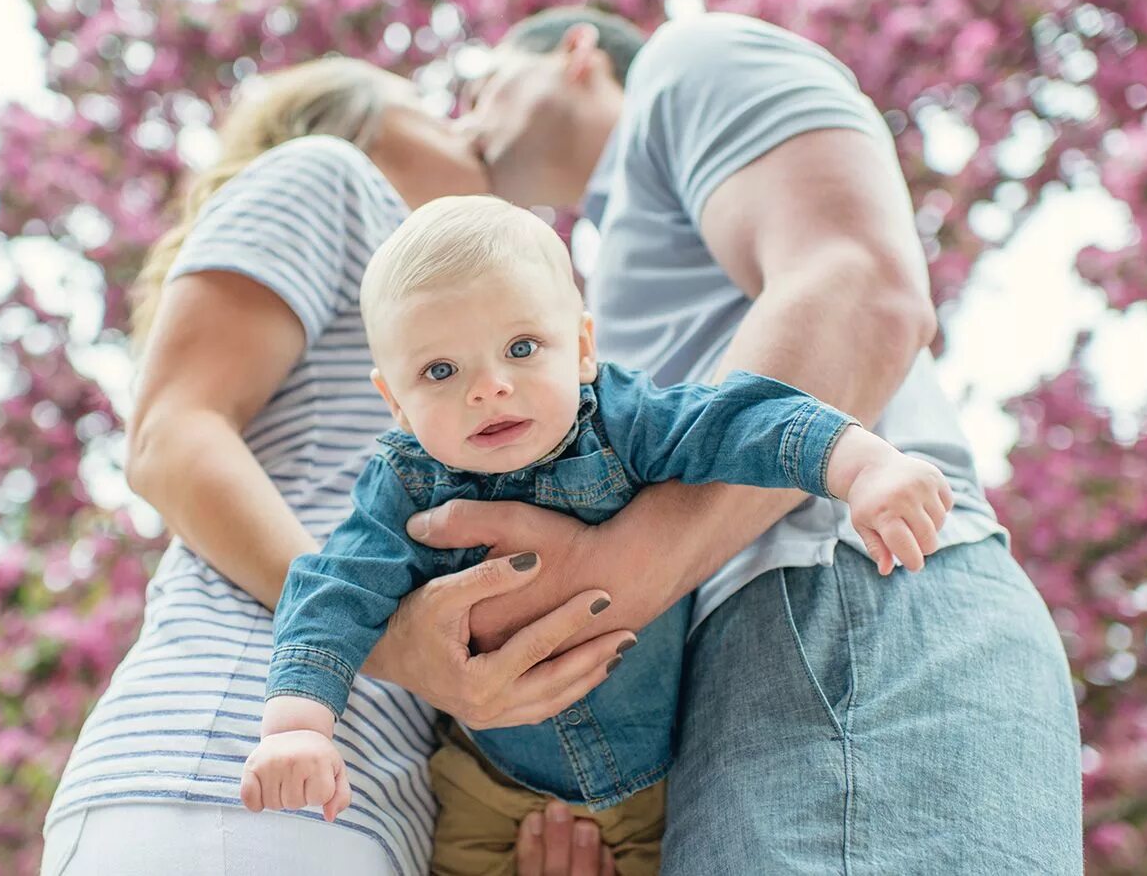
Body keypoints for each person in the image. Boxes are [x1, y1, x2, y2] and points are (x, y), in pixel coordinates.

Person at [421, 8, 1084, 872]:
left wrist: (615, 582)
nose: (465, 118)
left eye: (484, 83)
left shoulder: (686, 62)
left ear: (579, 53)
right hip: (768, 641)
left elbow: (861, 287)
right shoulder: (608, 279)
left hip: (845, 589)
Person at [239, 195, 954, 875]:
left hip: (659, 787)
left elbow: (738, 421)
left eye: (521, 347)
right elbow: (333, 588)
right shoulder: (405, 484)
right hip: (489, 788)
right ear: (395, 400)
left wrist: (863, 465)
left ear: (581, 349)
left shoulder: (621, 422)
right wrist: (297, 727)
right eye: (441, 370)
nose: (488, 387)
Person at [40, 58, 631, 876]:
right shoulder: (329, 174)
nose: (463, 125)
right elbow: (171, 435)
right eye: (429, 110)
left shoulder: (467, 355)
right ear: (359, 128)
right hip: (225, 754)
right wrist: (387, 643)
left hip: (354, 803)